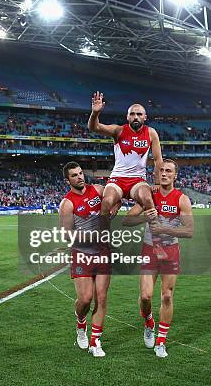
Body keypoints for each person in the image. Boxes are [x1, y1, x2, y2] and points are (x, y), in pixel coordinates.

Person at [123, 159, 193, 358]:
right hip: (149, 250)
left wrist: (164, 228)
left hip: (170, 251)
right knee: (145, 296)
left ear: (175, 175)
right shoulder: (149, 196)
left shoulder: (182, 199)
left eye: (168, 171)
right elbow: (126, 220)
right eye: (161, 170)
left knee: (167, 296)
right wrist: (145, 216)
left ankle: (161, 341)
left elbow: (189, 231)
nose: (164, 173)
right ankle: (148, 322)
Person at [87, 91, 163, 230]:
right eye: (132, 114)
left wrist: (157, 182)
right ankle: (103, 240)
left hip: (138, 180)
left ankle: (156, 238)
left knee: (148, 200)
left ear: (145, 117)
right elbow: (94, 127)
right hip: (118, 178)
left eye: (139, 114)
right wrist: (95, 113)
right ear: (127, 116)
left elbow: (158, 160)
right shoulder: (119, 130)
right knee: (107, 202)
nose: (136, 117)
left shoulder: (151, 133)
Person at [58, 162, 110, 358]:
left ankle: (95, 342)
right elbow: (66, 235)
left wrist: (113, 210)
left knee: (102, 298)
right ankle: (81, 323)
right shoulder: (67, 203)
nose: (80, 177)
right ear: (67, 180)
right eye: (74, 175)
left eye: (80, 173)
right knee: (85, 299)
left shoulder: (98, 190)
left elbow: (118, 198)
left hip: (103, 252)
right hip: (82, 254)